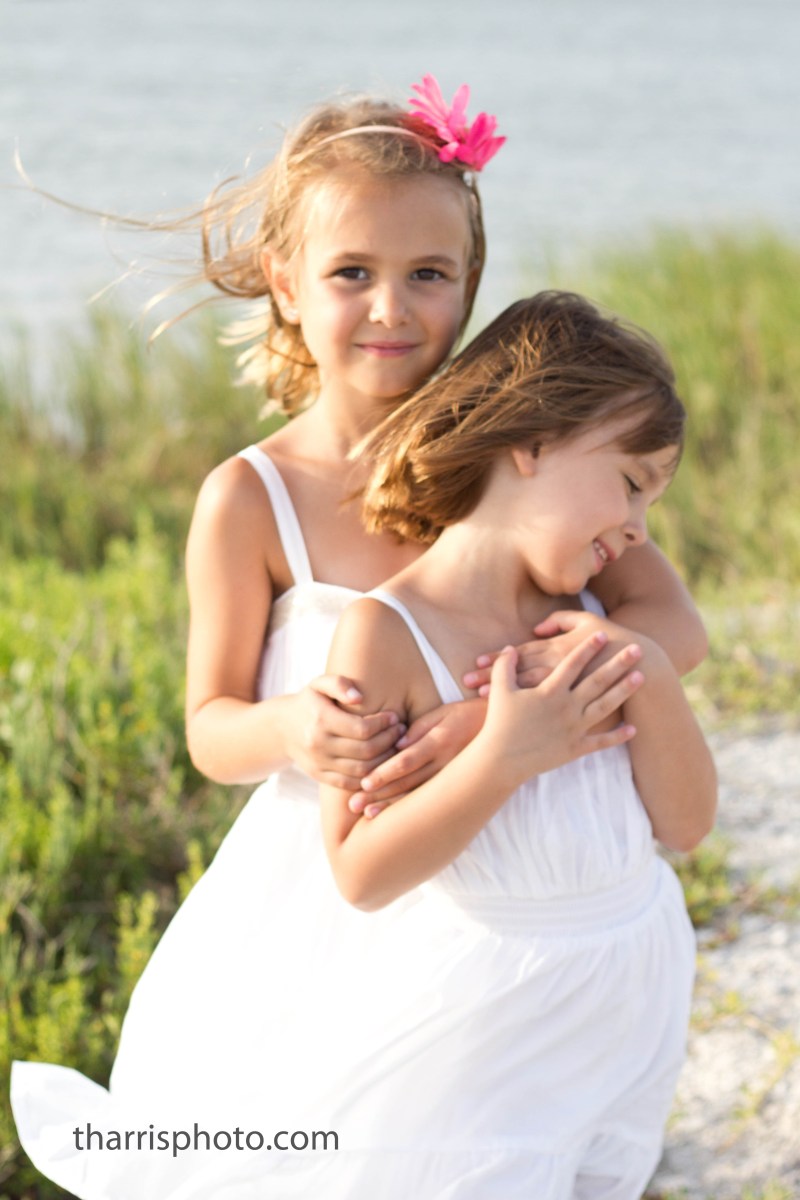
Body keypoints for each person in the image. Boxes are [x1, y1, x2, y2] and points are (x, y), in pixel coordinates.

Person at [11, 76, 706, 1199]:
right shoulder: (252, 498)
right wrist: (293, 726)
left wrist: (503, 705)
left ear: (468, 281)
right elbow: (210, 728)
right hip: (334, 895)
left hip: (500, 898)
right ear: (285, 282)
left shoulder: (516, 456)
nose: (391, 308)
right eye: (351, 274)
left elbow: (669, 621)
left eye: (428, 274)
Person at [173, 291, 714, 1200]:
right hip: (489, 1019)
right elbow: (363, 873)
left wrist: (644, 667)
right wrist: (502, 754)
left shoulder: (599, 614)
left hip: (628, 995)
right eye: (631, 483)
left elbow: (689, 824)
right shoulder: (385, 635)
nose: (639, 527)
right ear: (532, 443)